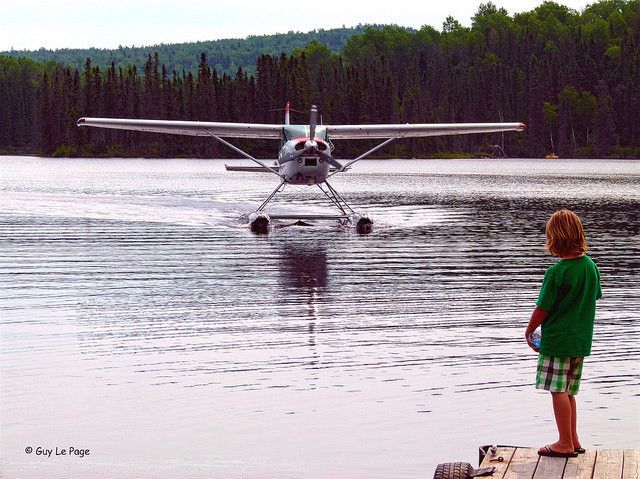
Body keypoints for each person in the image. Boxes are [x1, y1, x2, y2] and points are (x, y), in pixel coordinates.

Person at [525, 209, 602, 458]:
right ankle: (574, 439)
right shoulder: (590, 267)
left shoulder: (557, 273)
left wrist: (530, 329)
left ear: (555, 239)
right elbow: (593, 296)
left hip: (558, 341)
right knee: (568, 391)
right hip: (580, 341)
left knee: (557, 391)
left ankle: (564, 443)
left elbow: (543, 307)